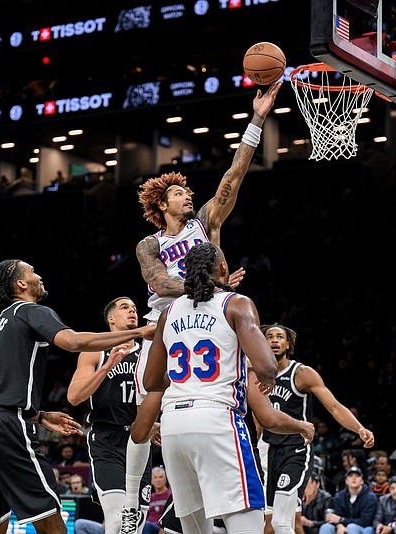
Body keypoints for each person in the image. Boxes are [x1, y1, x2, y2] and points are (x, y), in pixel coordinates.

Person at [124, 81, 283, 534]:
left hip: (207, 313)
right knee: (148, 406)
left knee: (239, 386)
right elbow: (156, 282)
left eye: (189, 191)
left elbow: (233, 176)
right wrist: (203, 286)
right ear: (161, 202)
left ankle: (233, 466)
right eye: (179, 193)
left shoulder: (205, 222)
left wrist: (257, 119)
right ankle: (136, 494)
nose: (188, 195)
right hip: (166, 321)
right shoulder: (149, 244)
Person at [0, 259, 155, 534]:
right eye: (32, 272)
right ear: (21, 284)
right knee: (51, 521)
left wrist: (38, 416)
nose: (39, 276)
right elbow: (72, 342)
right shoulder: (30, 310)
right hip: (7, 424)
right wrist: (140, 332)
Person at [141, 242, 305, 534]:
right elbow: (267, 366)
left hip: (173, 425)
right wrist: (267, 378)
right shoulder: (236, 303)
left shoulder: (169, 312)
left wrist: (186, 381)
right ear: (224, 269)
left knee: (194, 529)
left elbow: (151, 381)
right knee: (247, 524)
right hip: (217, 419)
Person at [260, 323, 375, 534]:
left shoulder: (302, 373)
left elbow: (334, 407)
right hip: (270, 451)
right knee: (268, 525)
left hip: (296, 450)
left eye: (279, 337)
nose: (274, 340)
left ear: (288, 344)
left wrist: (359, 429)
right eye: (269, 337)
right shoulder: (257, 374)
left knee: (282, 522)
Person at [66, 296, 153, 534]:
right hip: (106, 439)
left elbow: (159, 394)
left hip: (139, 439)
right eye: (125, 307)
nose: (132, 311)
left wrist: (155, 422)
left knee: (135, 524)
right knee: (115, 521)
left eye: (135, 308)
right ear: (111, 319)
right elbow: (74, 396)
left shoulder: (148, 351)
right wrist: (108, 366)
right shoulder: (95, 350)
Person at [320, 466, 378, 534]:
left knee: (351, 527)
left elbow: (365, 522)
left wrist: (342, 520)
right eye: (350, 476)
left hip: (364, 529)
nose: (354, 478)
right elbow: (336, 516)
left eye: (357, 476)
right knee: (326, 527)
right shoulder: (339, 496)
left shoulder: (370, 497)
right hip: (343, 525)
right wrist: (339, 525)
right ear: (346, 481)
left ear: (362, 481)